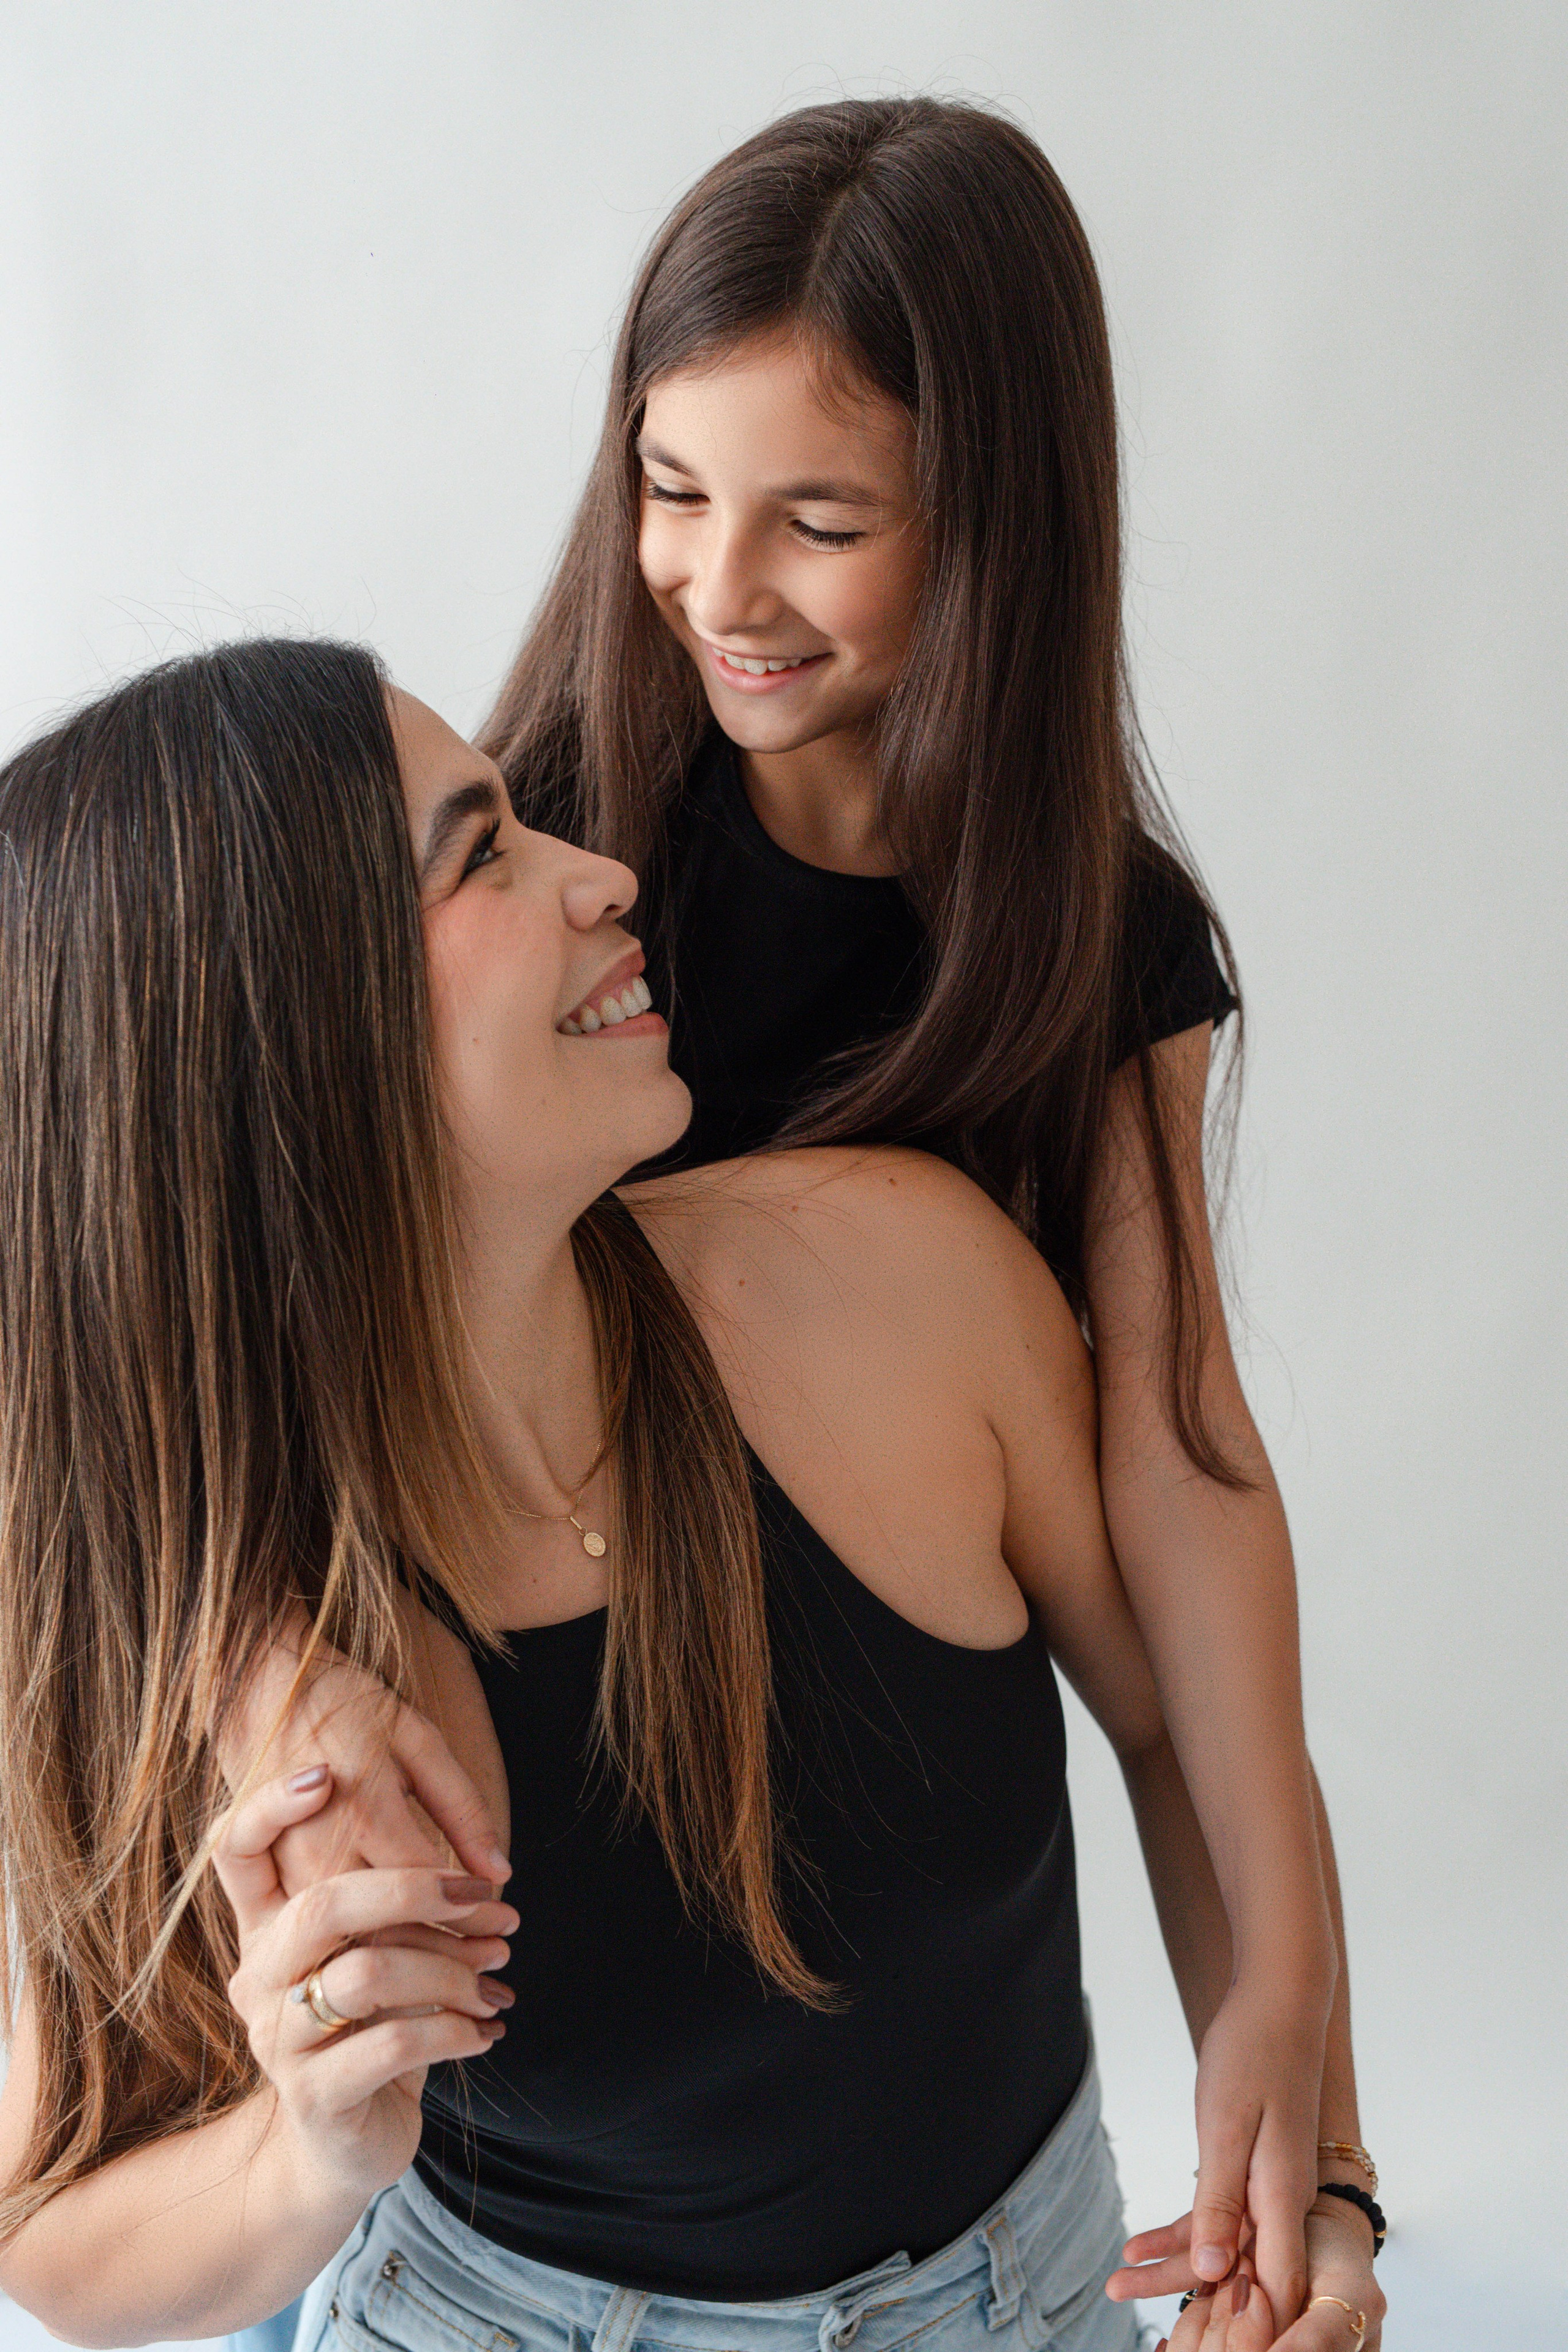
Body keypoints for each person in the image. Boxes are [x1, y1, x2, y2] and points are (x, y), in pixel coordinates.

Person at [236, 95, 1379, 2346]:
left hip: (894, 1818)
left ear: (995, 532)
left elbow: (1183, 1460)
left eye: (821, 522)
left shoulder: (1093, 941)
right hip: (546, 1946)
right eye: (670, 491)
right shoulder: (555, 839)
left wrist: (1292, 2034)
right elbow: (275, 1324)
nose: (720, 588)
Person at [0, 644, 1382, 2352]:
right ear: (295, 1046)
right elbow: (51, 2234)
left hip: (1055, 2296)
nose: (604, 872)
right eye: (482, 854)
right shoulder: (204, 1632)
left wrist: (1317, 2182)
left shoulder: (903, 1278)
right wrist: (304, 2154)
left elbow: (1194, 1725)